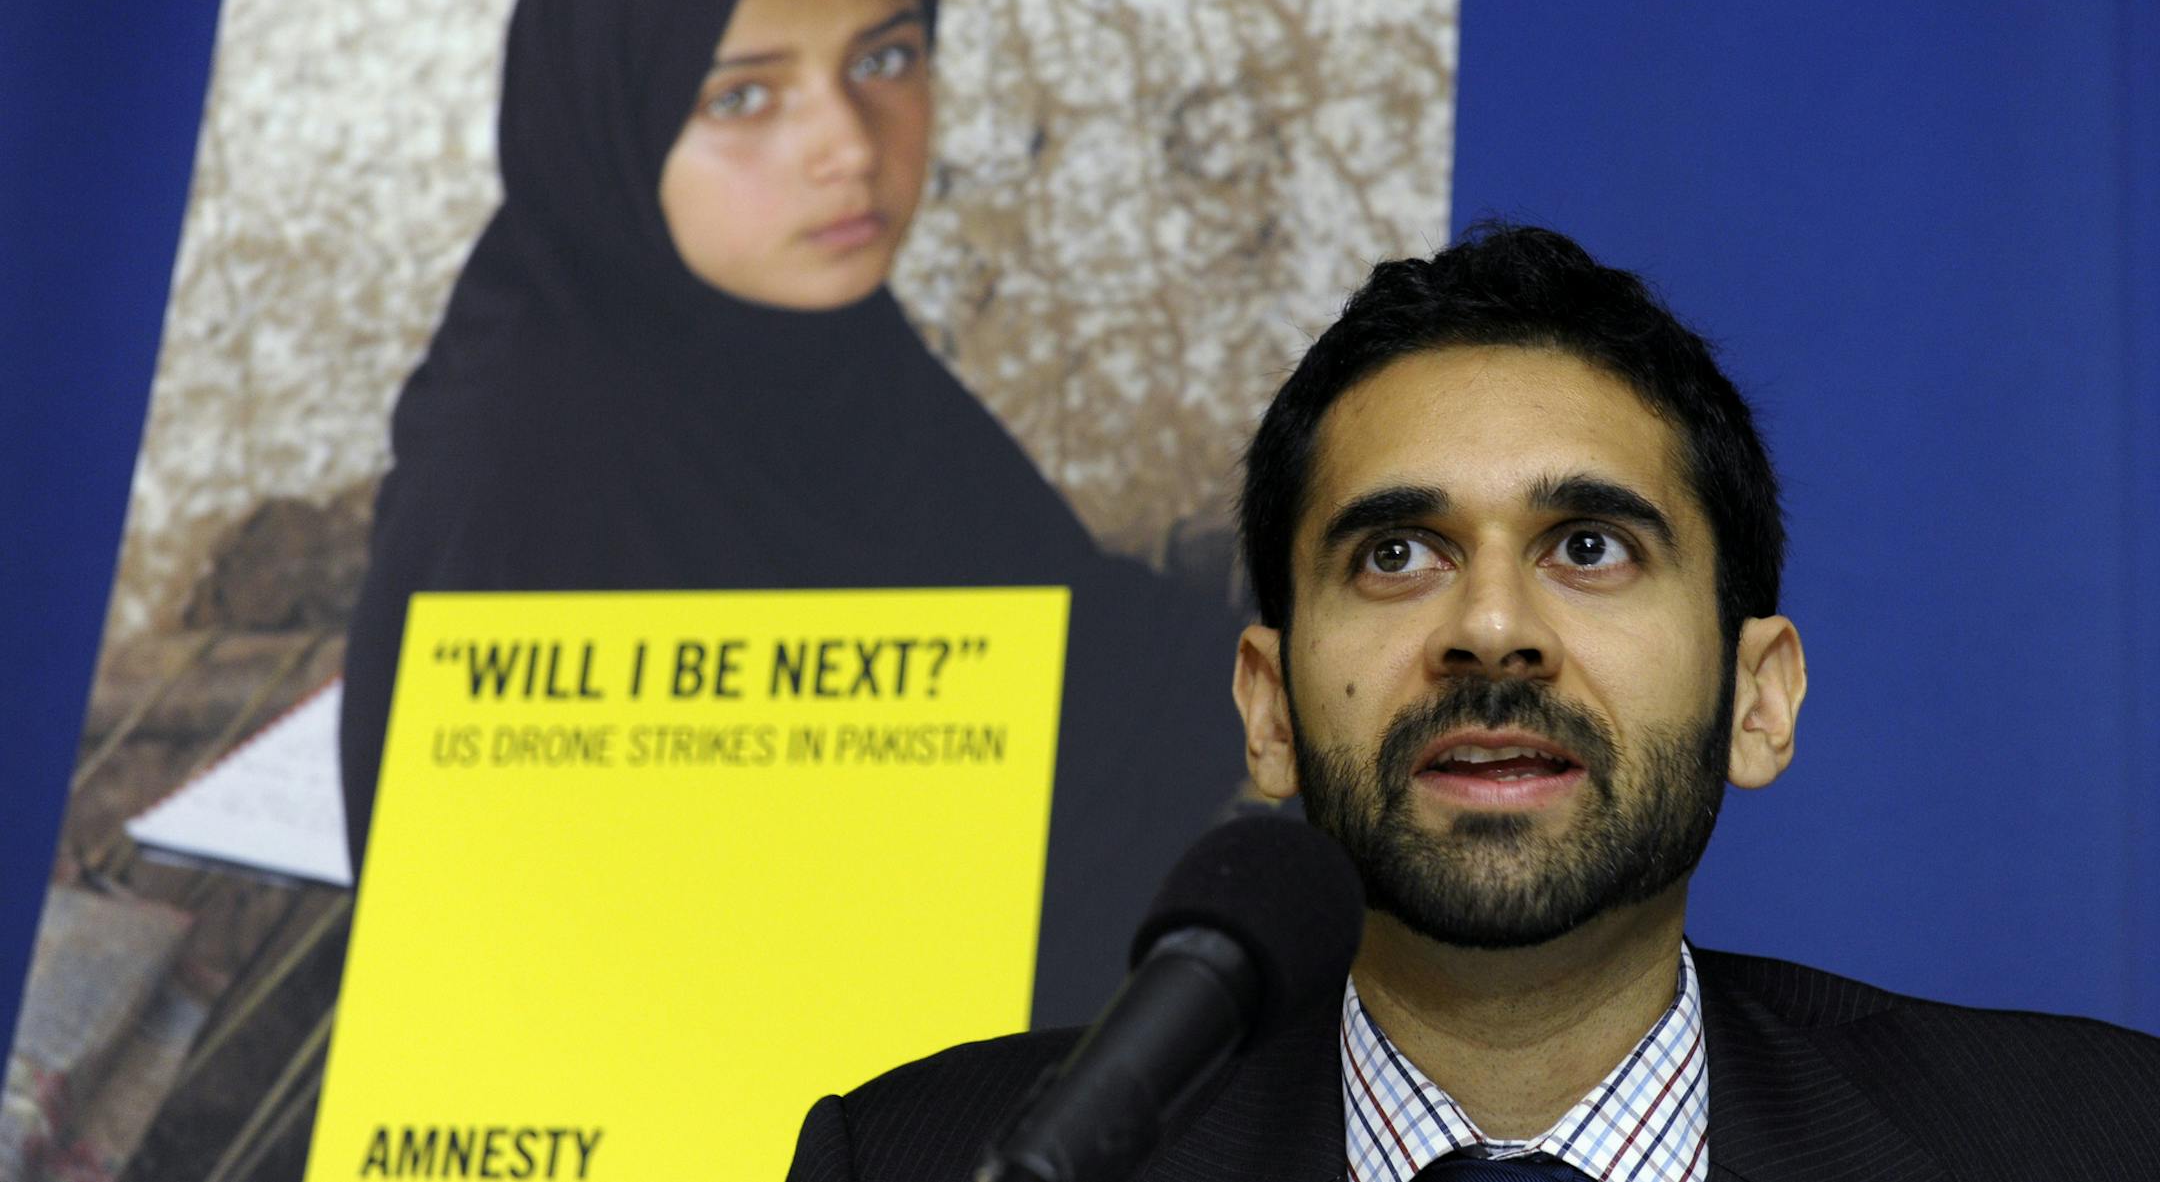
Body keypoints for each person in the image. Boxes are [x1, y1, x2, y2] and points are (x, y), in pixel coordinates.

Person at [785, 224, 2160, 1180]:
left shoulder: (2093, 1141)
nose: (1491, 630)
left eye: (1589, 548)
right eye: (1396, 555)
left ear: (1760, 698)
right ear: (1265, 705)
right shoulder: (923, 1156)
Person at [338, 0, 1245, 1025]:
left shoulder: (822, 356)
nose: (851, 146)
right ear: (612, 120)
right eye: (742, 97)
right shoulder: (536, 489)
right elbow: (573, 994)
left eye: (885, 59)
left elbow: (1060, 653)